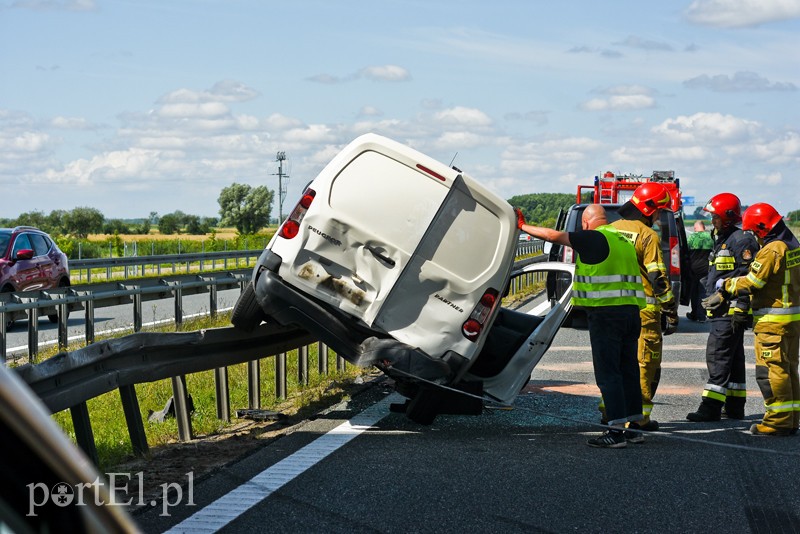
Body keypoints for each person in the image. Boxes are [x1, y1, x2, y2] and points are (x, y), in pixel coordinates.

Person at [517, 204, 646, 448]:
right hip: (630, 312)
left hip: (606, 315)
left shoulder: (592, 238)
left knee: (608, 373)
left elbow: (552, 236)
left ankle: (616, 431)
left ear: (586, 223)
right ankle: (635, 428)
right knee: (628, 369)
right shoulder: (622, 240)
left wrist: (522, 226)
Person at [703, 203, 800, 435]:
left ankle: (778, 422)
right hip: (790, 320)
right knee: (788, 369)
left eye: (756, 232)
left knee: (771, 371)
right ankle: (790, 418)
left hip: (773, 322)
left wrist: (725, 286)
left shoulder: (772, 249)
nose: (755, 236)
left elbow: (754, 281)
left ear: (762, 227)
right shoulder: (793, 245)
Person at [609, 182, 678, 431]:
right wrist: (670, 309)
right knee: (643, 364)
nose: (659, 217)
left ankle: (611, 412)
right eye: (659, 212)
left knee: (616, 363)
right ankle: (638, 418)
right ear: (649, 210)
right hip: (644, 312)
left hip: (614, 309)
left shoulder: (609, 230)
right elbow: (658, 279)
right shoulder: (647, 236)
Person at [687, 193, 759, 422]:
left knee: (718, 357)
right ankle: (735, 406)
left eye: (716, 216)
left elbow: (749, 278)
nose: (712, 221)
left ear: (728, 216)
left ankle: (710, 407)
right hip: (723, 311)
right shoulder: (724, 238)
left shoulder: (742, 241)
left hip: (729, 312)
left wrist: (739, 308)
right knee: (734, 359)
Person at [686, 220, 713, 322]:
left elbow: (686, 252)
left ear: (695, 228)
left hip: (693, 269)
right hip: (706, 269)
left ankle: (694, 314)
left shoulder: (691, 237)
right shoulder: (710, 237)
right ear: (704, 227)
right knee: (703, 292)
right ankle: (701, 316)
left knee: (694, 292)